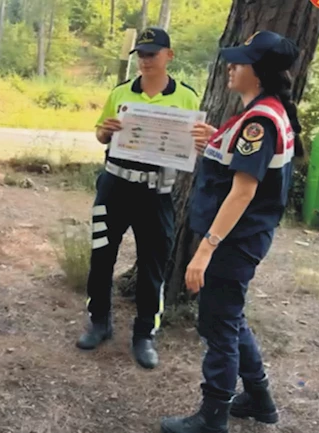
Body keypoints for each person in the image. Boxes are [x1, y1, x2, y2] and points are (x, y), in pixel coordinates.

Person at [160, 30, 301, 433]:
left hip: (233, 241)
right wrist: (214, 143)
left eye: (239, 62)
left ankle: (213, 415)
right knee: (231, 318)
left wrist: (205, 250)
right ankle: (259, 398)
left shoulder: (260, 120)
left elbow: (243, 191)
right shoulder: (262, 111)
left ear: (257, 72)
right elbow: (238, 165)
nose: (231, 66)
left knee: (217, 326)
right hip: (242, 238)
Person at [76, 27, 201, 369]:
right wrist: (107, 130)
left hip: (156, 192)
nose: (146, 61)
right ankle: (99, 322)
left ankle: (144, 334)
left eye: (153, 54)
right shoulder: (120, 93)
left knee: (153, 264)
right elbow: (100, 133)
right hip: (114, 187)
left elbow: (191, 145)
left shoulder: (186, 98)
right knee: (102, 256)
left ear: (169, 56)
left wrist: (200, 143)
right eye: (142, 55)